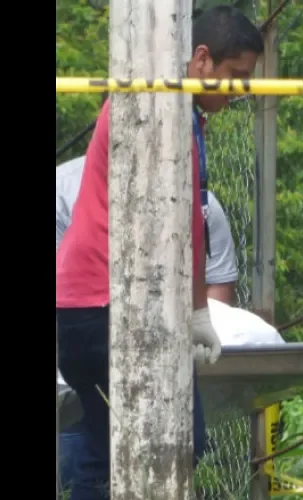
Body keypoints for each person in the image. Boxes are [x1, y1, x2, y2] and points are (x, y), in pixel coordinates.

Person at [55, 6, 263, 500]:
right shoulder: (164, 111)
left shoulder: (160, 105)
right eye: (235, 76)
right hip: (102, 303)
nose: (239, 92)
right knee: (169, 442)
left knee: (107, 442)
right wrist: (196, 312)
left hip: (84, 302)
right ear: (201, 59)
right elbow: (180, 227)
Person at [55, 154, 240, 493]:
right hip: (94, 317)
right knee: (106, 452)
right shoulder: (65, 189)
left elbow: (215, 279)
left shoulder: (193, 189)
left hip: (133, 323)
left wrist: (199, 315)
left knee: (157, 447)